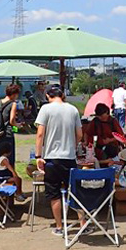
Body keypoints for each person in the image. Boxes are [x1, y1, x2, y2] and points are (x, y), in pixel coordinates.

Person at [34, 84, 83, 236]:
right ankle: (82, 223)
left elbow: (40, 134)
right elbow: (80, 134)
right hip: (69, 158)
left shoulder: (46, 109)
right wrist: (73, 146)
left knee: (54, 194)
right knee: (75, 192)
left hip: (52, 159)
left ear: (48, 95)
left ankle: (59, 226)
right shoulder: (73, 109)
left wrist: (38, 156)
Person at [0, 84, 20, 167]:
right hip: (7, 133)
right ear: (14, 94)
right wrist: (18, 125)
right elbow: (12, 120)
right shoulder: (13, 104)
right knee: (8, 157)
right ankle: (8, 175)